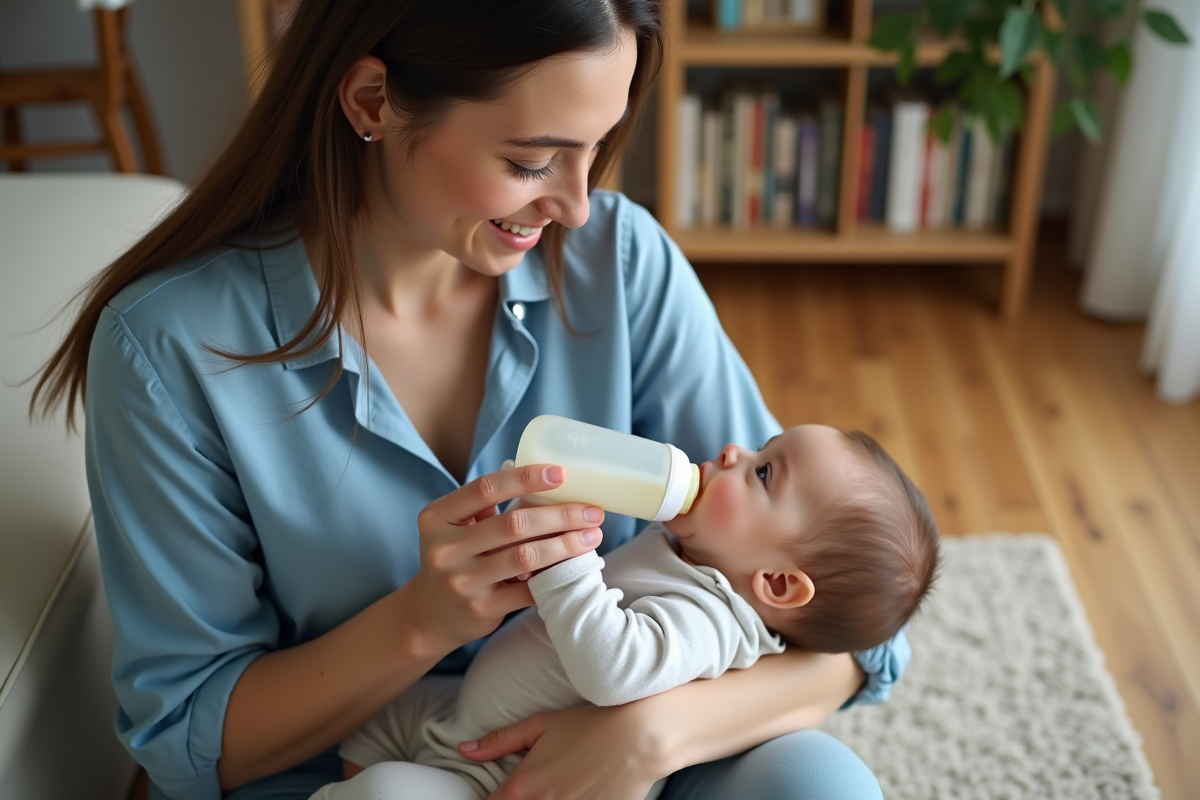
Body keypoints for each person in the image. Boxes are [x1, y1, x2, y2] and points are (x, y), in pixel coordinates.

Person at [30, 2, 912, 798]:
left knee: (816, 781)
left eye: (597, 148)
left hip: (621, 761)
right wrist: (420, 621)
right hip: (365, 767)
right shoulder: (171, 349)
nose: (575, 206)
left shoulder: (619, 262)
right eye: (533, 161)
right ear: (373, 100)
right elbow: (189, 744)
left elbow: (849, 631)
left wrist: (645, 734)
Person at [311, 424, 940, 800]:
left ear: (775, 582)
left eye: (763, 471)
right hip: (470, 715)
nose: (731, 450)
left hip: (512, 778)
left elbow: (614, 667)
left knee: (385, 792)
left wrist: (565, 559)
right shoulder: (694, 547)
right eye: (759, 448)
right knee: (375, 722)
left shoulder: (714, 619)